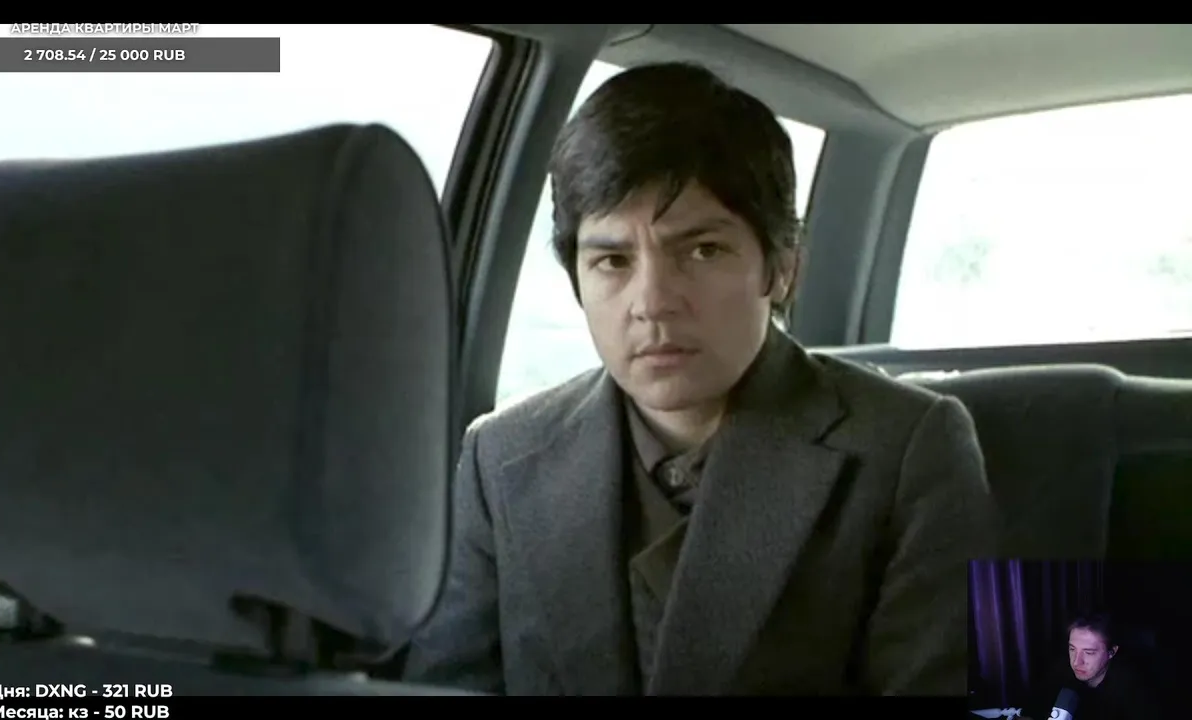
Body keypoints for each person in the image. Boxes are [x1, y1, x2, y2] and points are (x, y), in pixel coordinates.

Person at [403, 61, 997, 695]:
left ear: (782, 268)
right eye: (612, 260)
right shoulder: (501, 457)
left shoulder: (911, 447)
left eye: (703, 250)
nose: (652, 302)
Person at [1017, 613, 1162, 720]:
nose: (1076, 662)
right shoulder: (1060, 671)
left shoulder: (1132, 689)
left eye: (1089, 652)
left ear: (1111, 652)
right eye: (1072, 649)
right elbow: (1033, 709)